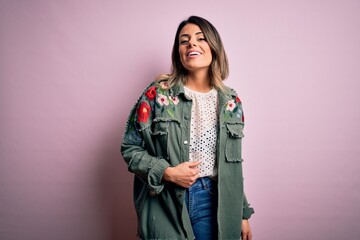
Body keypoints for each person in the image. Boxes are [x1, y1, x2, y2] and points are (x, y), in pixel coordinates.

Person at [121, 15, 254, 240]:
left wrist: (242, 213)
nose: (191, 43)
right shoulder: (157, 94)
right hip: (165, 201)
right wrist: (167, 172)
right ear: (179, 52)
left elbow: (232, 165)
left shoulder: (231, 103)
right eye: (184, 40)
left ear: (214, 47)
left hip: (214, 201)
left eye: (200, 38)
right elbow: (130, 148)